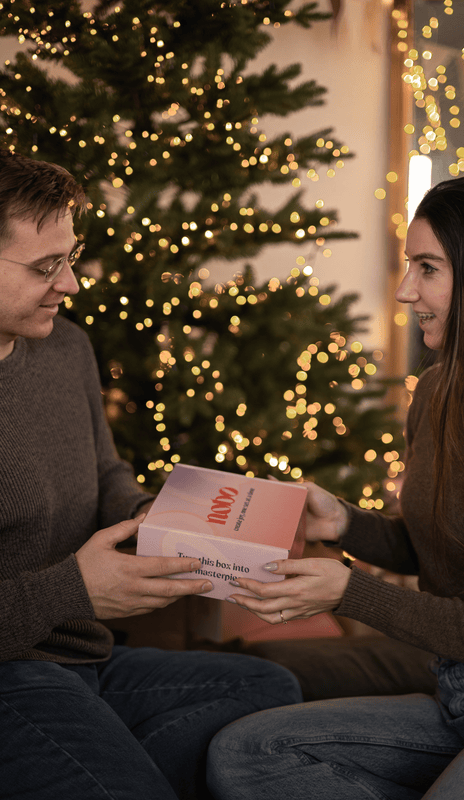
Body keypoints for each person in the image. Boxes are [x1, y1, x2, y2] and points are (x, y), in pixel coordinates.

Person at [206, 175, 464, 799]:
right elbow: (449, 554)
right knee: (248, 753)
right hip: (462, 693)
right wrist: (346, 525)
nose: (406, 291)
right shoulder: (438, 393)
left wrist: (351, 594)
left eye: (428, 268)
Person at [0, 149, 302, 800]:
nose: (71, 284)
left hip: (85, 659)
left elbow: (106, 469)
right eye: (46, 267)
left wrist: (149, 516)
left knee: (267, 689)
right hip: (13, 668)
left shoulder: (67, 346)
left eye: (71, 258)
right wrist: (73, 594)